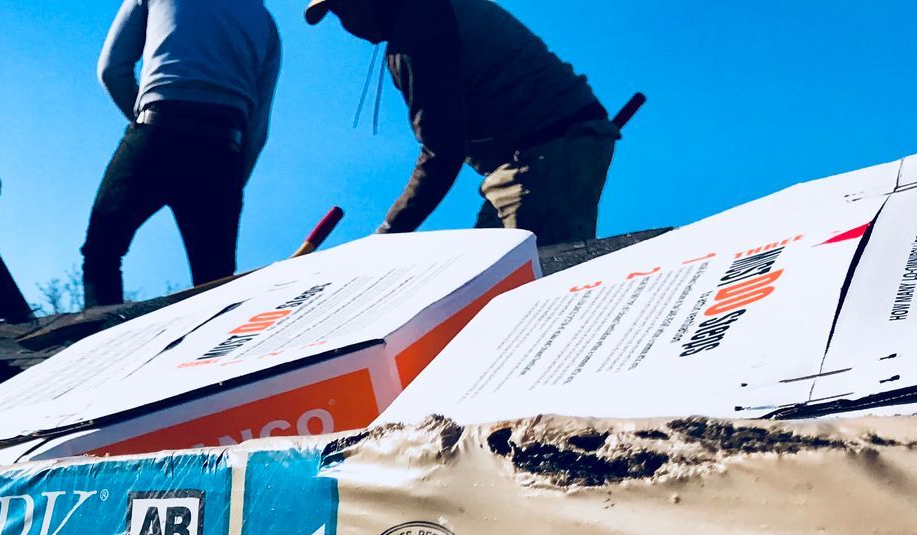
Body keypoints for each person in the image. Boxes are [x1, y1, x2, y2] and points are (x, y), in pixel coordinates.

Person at [306, 0, 616, 244]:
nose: (347, 25)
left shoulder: (420, 27)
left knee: (525, 278)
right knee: (493, 272)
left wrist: (388, 233)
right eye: (337, 15)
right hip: (541, 150)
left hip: (550, 147)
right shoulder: (423, 17)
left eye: (346, 7)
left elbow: (442, 150)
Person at [82, 0, 281, 309]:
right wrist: (227, 189)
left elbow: (111, 70)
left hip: (158, 129)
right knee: (215, 284)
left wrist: (146, 123)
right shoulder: (265, 22)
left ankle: (99, 341)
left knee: (102, 250)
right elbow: (257, 130)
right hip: (222, 150)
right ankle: (214, 354)